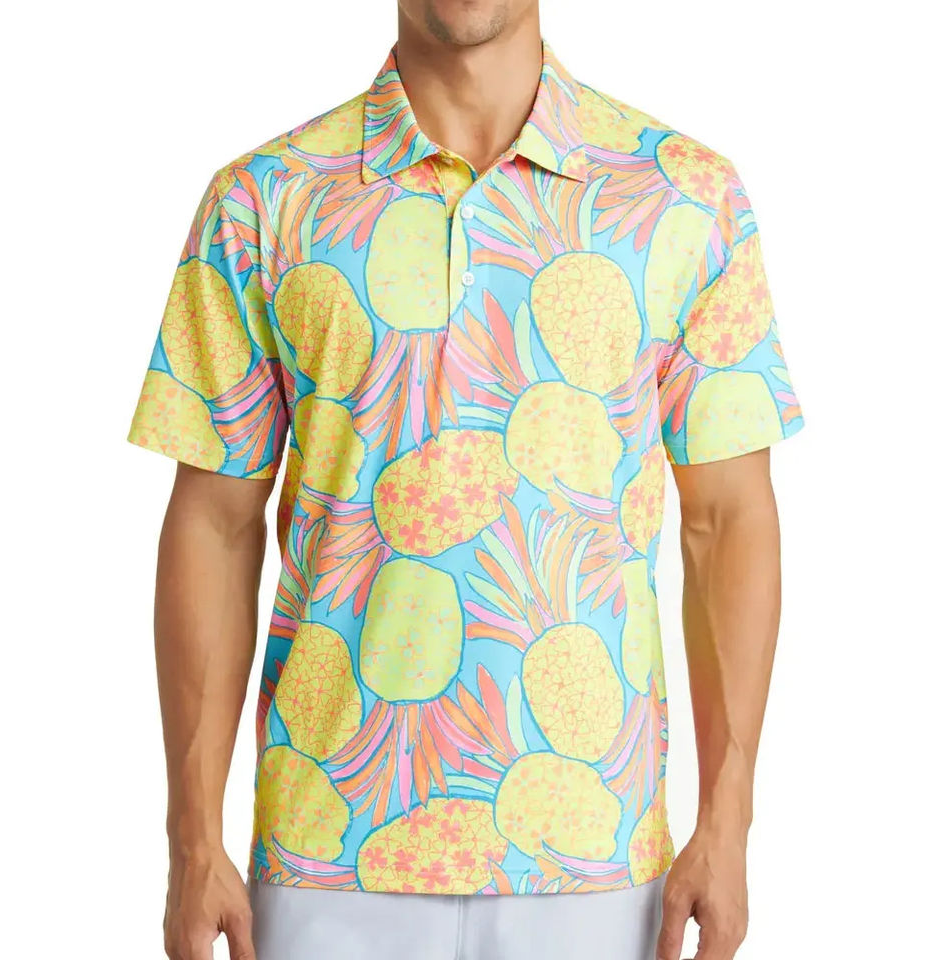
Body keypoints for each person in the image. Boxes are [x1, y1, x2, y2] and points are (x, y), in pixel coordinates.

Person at [127, 1, 804, 958]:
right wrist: (192, 839)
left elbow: (728, 520)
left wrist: (727, 826)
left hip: (594, 861)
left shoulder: (684, 199)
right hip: (327, 856)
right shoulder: (264, 202)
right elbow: (214, 524)